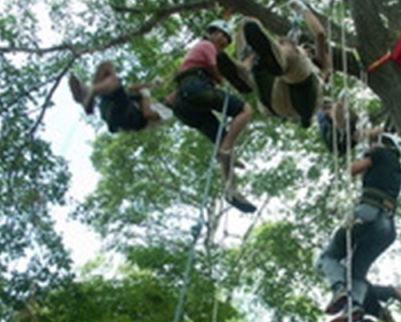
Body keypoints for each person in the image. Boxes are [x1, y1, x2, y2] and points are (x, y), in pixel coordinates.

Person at [316, 132, 401, 322]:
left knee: (327, 257)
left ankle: (339, 288)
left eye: (374, 143)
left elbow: (353, 169)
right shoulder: (398, 170)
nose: (371, 146)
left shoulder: (381, 153)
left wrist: (362, 158)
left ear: (384, 144)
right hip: (387, 228)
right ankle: (355, 305)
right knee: (357, 272)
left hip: (367, 214)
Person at [172, 20, 256, 214]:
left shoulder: (203, 49)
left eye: (228, 38)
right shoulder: (206, 45)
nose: (225, 40)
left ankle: (230, 188)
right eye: (222, 35)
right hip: (195, 88)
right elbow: (212, 67)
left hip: (186, 107)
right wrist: (221, 78)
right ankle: (226, 151)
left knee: (223, 139)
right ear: (210, 33)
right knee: (245, 110)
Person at [216, 1, 329, 129]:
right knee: (248, 23)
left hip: (304, 99)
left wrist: (304, 10)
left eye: (310, 49)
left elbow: (320, 35)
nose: (308, 49)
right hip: (273, 99)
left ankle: (274, 61)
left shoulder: (320, 65)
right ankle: (244, 71)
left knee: (291, 52)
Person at [68, 61, 174, 133]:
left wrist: (145, 95)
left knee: (114, 81)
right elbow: (131, 89)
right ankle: (88, 92)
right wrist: (151, 85)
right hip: (116, 108)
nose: (170, 95)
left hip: (131, 118)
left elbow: (147, 114)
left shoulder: (168, 112)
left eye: (173, 96)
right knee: (106, 67)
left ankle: (91, 91)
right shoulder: (153, 102)